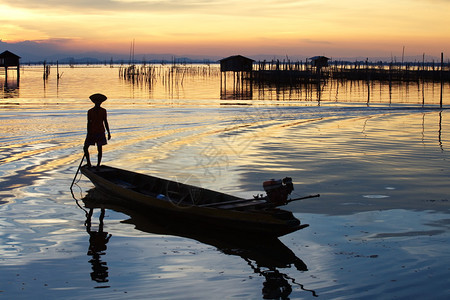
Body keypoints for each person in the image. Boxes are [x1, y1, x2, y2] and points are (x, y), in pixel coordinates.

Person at [83, 93, 111, 168]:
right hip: (92, 132)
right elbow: (88, 123)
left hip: (100, 132)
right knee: (85, 148)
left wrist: (108, 133)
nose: (98, 103)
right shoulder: (90, 111)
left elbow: (105, 121)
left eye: (99, 102)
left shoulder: (103, 111)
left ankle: (98, 164)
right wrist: (88, 133)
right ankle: (89, 163)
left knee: (99, 149)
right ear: (95, 102)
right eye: (97, 102)